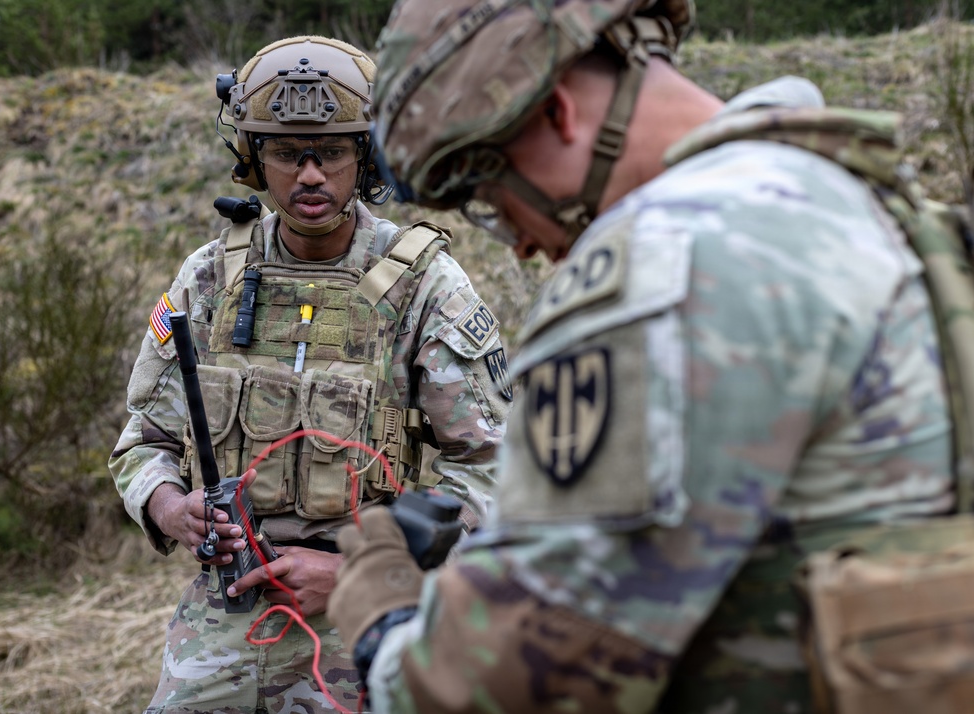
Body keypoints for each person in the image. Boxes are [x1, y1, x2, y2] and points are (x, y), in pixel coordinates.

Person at [328, 1, 972, 712]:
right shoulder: (860, 202)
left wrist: (383, 620)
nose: (520, 243)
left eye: (492, 198)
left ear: (557, 112)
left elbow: (535, 674)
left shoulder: (673, 259)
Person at [109, 35, 510, 714]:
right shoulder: (211, 276)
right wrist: (171, 507)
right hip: (231, 605)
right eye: (287, 153)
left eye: (330, 152)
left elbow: (494, 466)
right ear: (252, 158)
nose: (311, 175)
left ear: (366, 155)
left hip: (372, 602)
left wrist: (363, 565)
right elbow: (144, 438)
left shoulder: (423, 284)